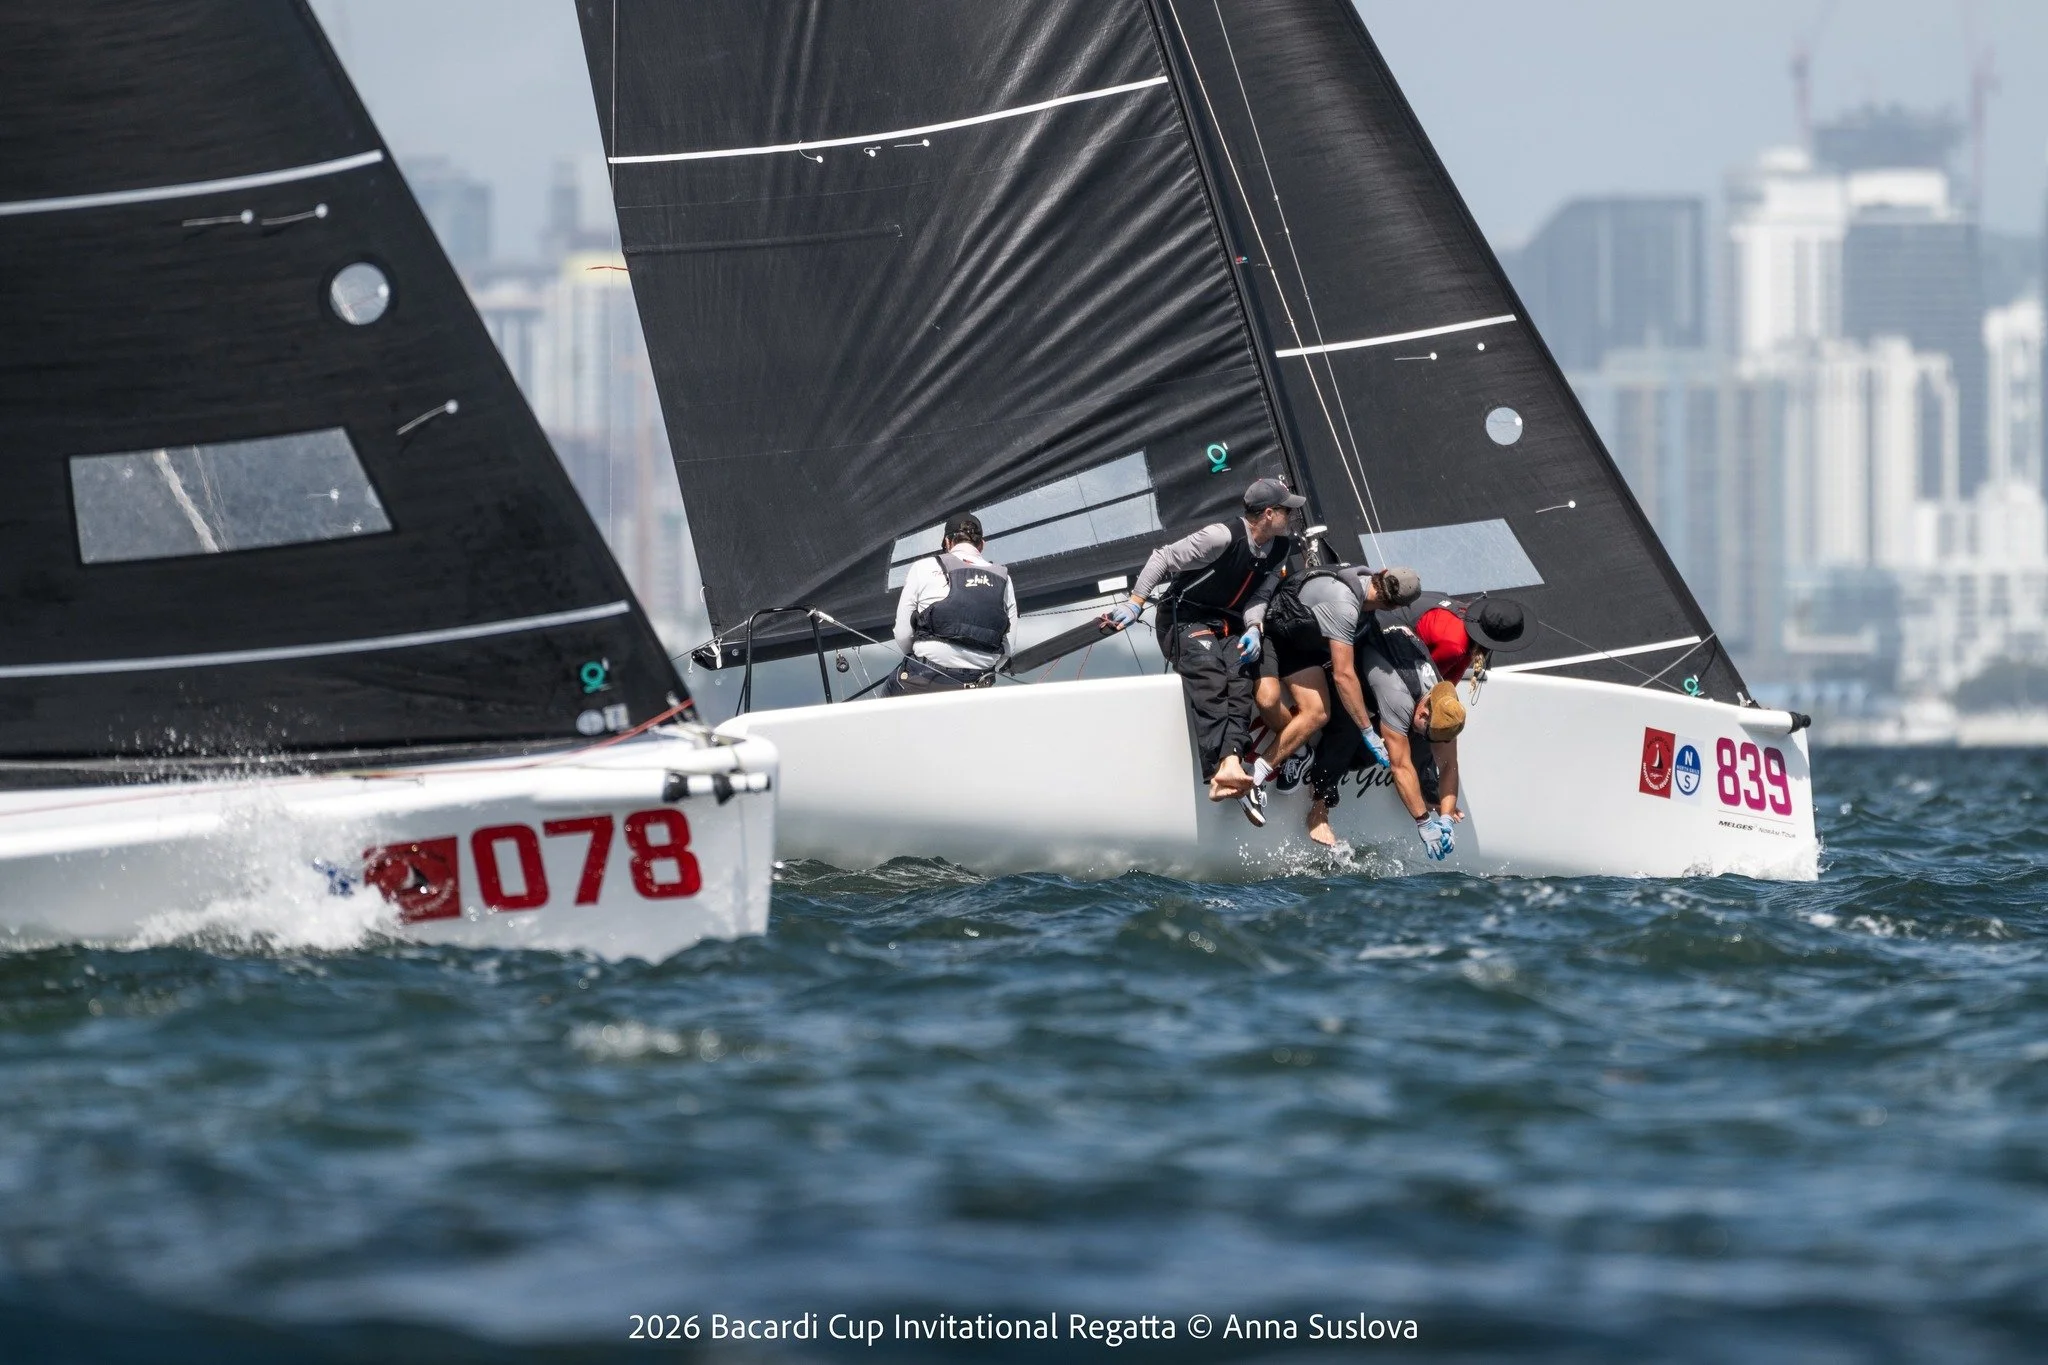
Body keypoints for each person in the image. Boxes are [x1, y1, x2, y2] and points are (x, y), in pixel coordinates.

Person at [1104, 477, 1303, 815]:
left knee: (1240, 679)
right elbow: (1163, 557)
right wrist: (1136, 602)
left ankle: (1232, 764)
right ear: (1269, 513)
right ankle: (1219, 771)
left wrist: (1254, 628)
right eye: (1287, 510)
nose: (1293, 516)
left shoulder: (1280, 549)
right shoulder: (1220, 537)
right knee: (1211, 675)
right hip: (1184, 619)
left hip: (1230, 624)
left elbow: (1260, 595)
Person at [1251, 564, 1423, 823]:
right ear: (1394, 607)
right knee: (1267, 699)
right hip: (1274, 634)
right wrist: (1367, 731)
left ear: (1382, 571)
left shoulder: (1361, 578)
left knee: (1318, 713)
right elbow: (1343, 676)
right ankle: (1279, 761)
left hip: (1299, 647)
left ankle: (1264, 770)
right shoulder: (1346, 605)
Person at [1305, 609, 1468, 859]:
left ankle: (1427, 795)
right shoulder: (1399, 700)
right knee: (1349, 731)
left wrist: (1446, 817)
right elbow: (1400, 766)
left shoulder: (1445, 703)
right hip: (1347, 653)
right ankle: (1319, 804)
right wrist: (1423, 822)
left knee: (1414, 739)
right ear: (1424, 712)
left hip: (1391, 647)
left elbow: (1449, 764)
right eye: (1429, 731)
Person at [885, 513, 1019, 696]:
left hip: (924, 679)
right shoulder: (1004, 579)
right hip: (978, 685)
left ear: (947, 542)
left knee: (889, 692)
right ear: (981, 545)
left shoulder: (922, 567)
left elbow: (902, 633)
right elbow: (1008, 648)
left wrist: (919, 658)